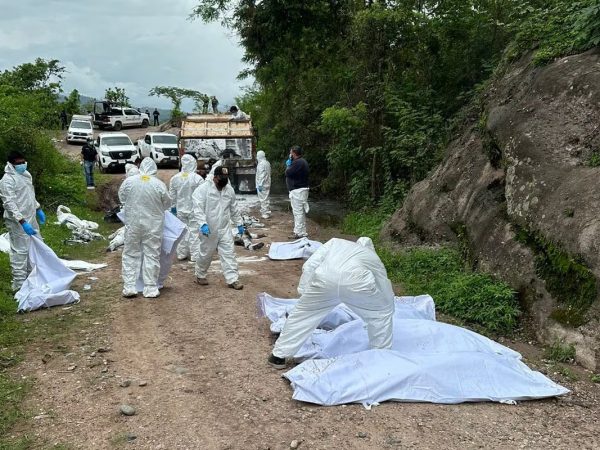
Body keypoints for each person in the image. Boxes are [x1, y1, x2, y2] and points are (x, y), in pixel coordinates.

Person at [268, 237, 395, 369]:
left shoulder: (335, 242)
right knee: (379, 315)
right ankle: (381, 357)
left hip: (325, 280)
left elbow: (310, 265)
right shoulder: (371, 256)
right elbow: (382, 282)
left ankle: (278, 356)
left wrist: (304, 292)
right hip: (357, 284)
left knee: (302, 315)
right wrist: (387, 306)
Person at [118, 157, 171, 298]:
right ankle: (150, 287)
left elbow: (122, 198)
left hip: (133, 223)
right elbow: (167, 203)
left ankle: (129, 287)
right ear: (154, 169)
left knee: (130, 253)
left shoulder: (129, 182)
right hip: (153, 225)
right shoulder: (158, 184)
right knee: (151, 254)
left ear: (140, 167)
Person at [192, 166, 244, 290]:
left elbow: (234, 208)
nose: (224, 180)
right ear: (215, 177)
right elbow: (198, 208)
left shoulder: (229, 190)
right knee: (206, 253)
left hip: (224, 228)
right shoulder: (204, 189)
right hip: (209, 229)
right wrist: (203, 224)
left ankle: (233, 279)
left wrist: (239, 223)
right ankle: (200, 274)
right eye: (222, 177)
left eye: (226, 177)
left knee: (229, 253)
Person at [0, 151, 46, 291]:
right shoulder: (7, 180)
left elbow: (29, 194)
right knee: (20, 252)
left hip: (30, 216)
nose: (22, 165)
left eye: (23, 162)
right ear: (11, 164)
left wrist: (38, 208)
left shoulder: (26, 175)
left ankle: (33, 278)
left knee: (37, 247)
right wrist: (21, 221)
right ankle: (19, 285)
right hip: (17, 221)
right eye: (18, 163)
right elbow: (9, 203)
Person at [169, 154, 204, 261]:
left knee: (181, 232)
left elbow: (172, 195)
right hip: (194, 210)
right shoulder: (197, 179)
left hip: (180, 210)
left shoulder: (175, 178)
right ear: (193, 163)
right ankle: (195, 255)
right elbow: (202, 196)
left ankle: (181, 253)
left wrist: (173, 207)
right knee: (194, 232)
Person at [285, 145, 309, 239]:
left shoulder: (298, 162)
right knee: (300, 212)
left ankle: (298, 233)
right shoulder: (302, 161)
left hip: (298, 190)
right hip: (301, 189)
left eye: (291, 153)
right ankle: (301, 232)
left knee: (298, 212)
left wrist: (288, 165)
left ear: (294, 153)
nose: (290, 154)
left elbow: (288, 173)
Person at [255, 150, 272, 219]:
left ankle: (265, 213)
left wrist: (260, 184)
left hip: (262, 184)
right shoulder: (267, 163)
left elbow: (262, 175)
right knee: (266, 198)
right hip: (267, 183)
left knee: (263, 199)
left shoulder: (261, 164)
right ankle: (266, 212)